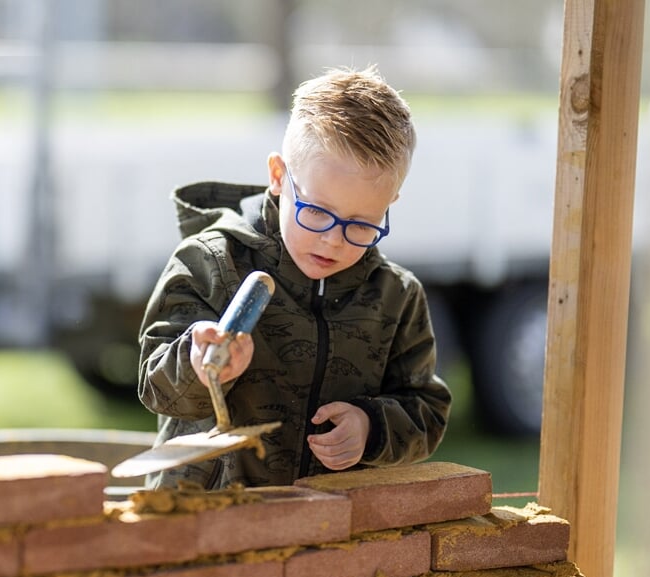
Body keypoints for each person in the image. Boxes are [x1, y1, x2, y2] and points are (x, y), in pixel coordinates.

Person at [137, 66, 452, 490]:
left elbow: (426, 410)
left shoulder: (396, 296)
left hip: (330, 528)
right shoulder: (211, 262)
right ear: (279, 176)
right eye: (317, 213)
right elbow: (154, 384)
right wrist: (197, 362)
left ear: (390, 203)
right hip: (205, 519)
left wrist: (370, 427)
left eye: (361, 225)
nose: (334, 241)